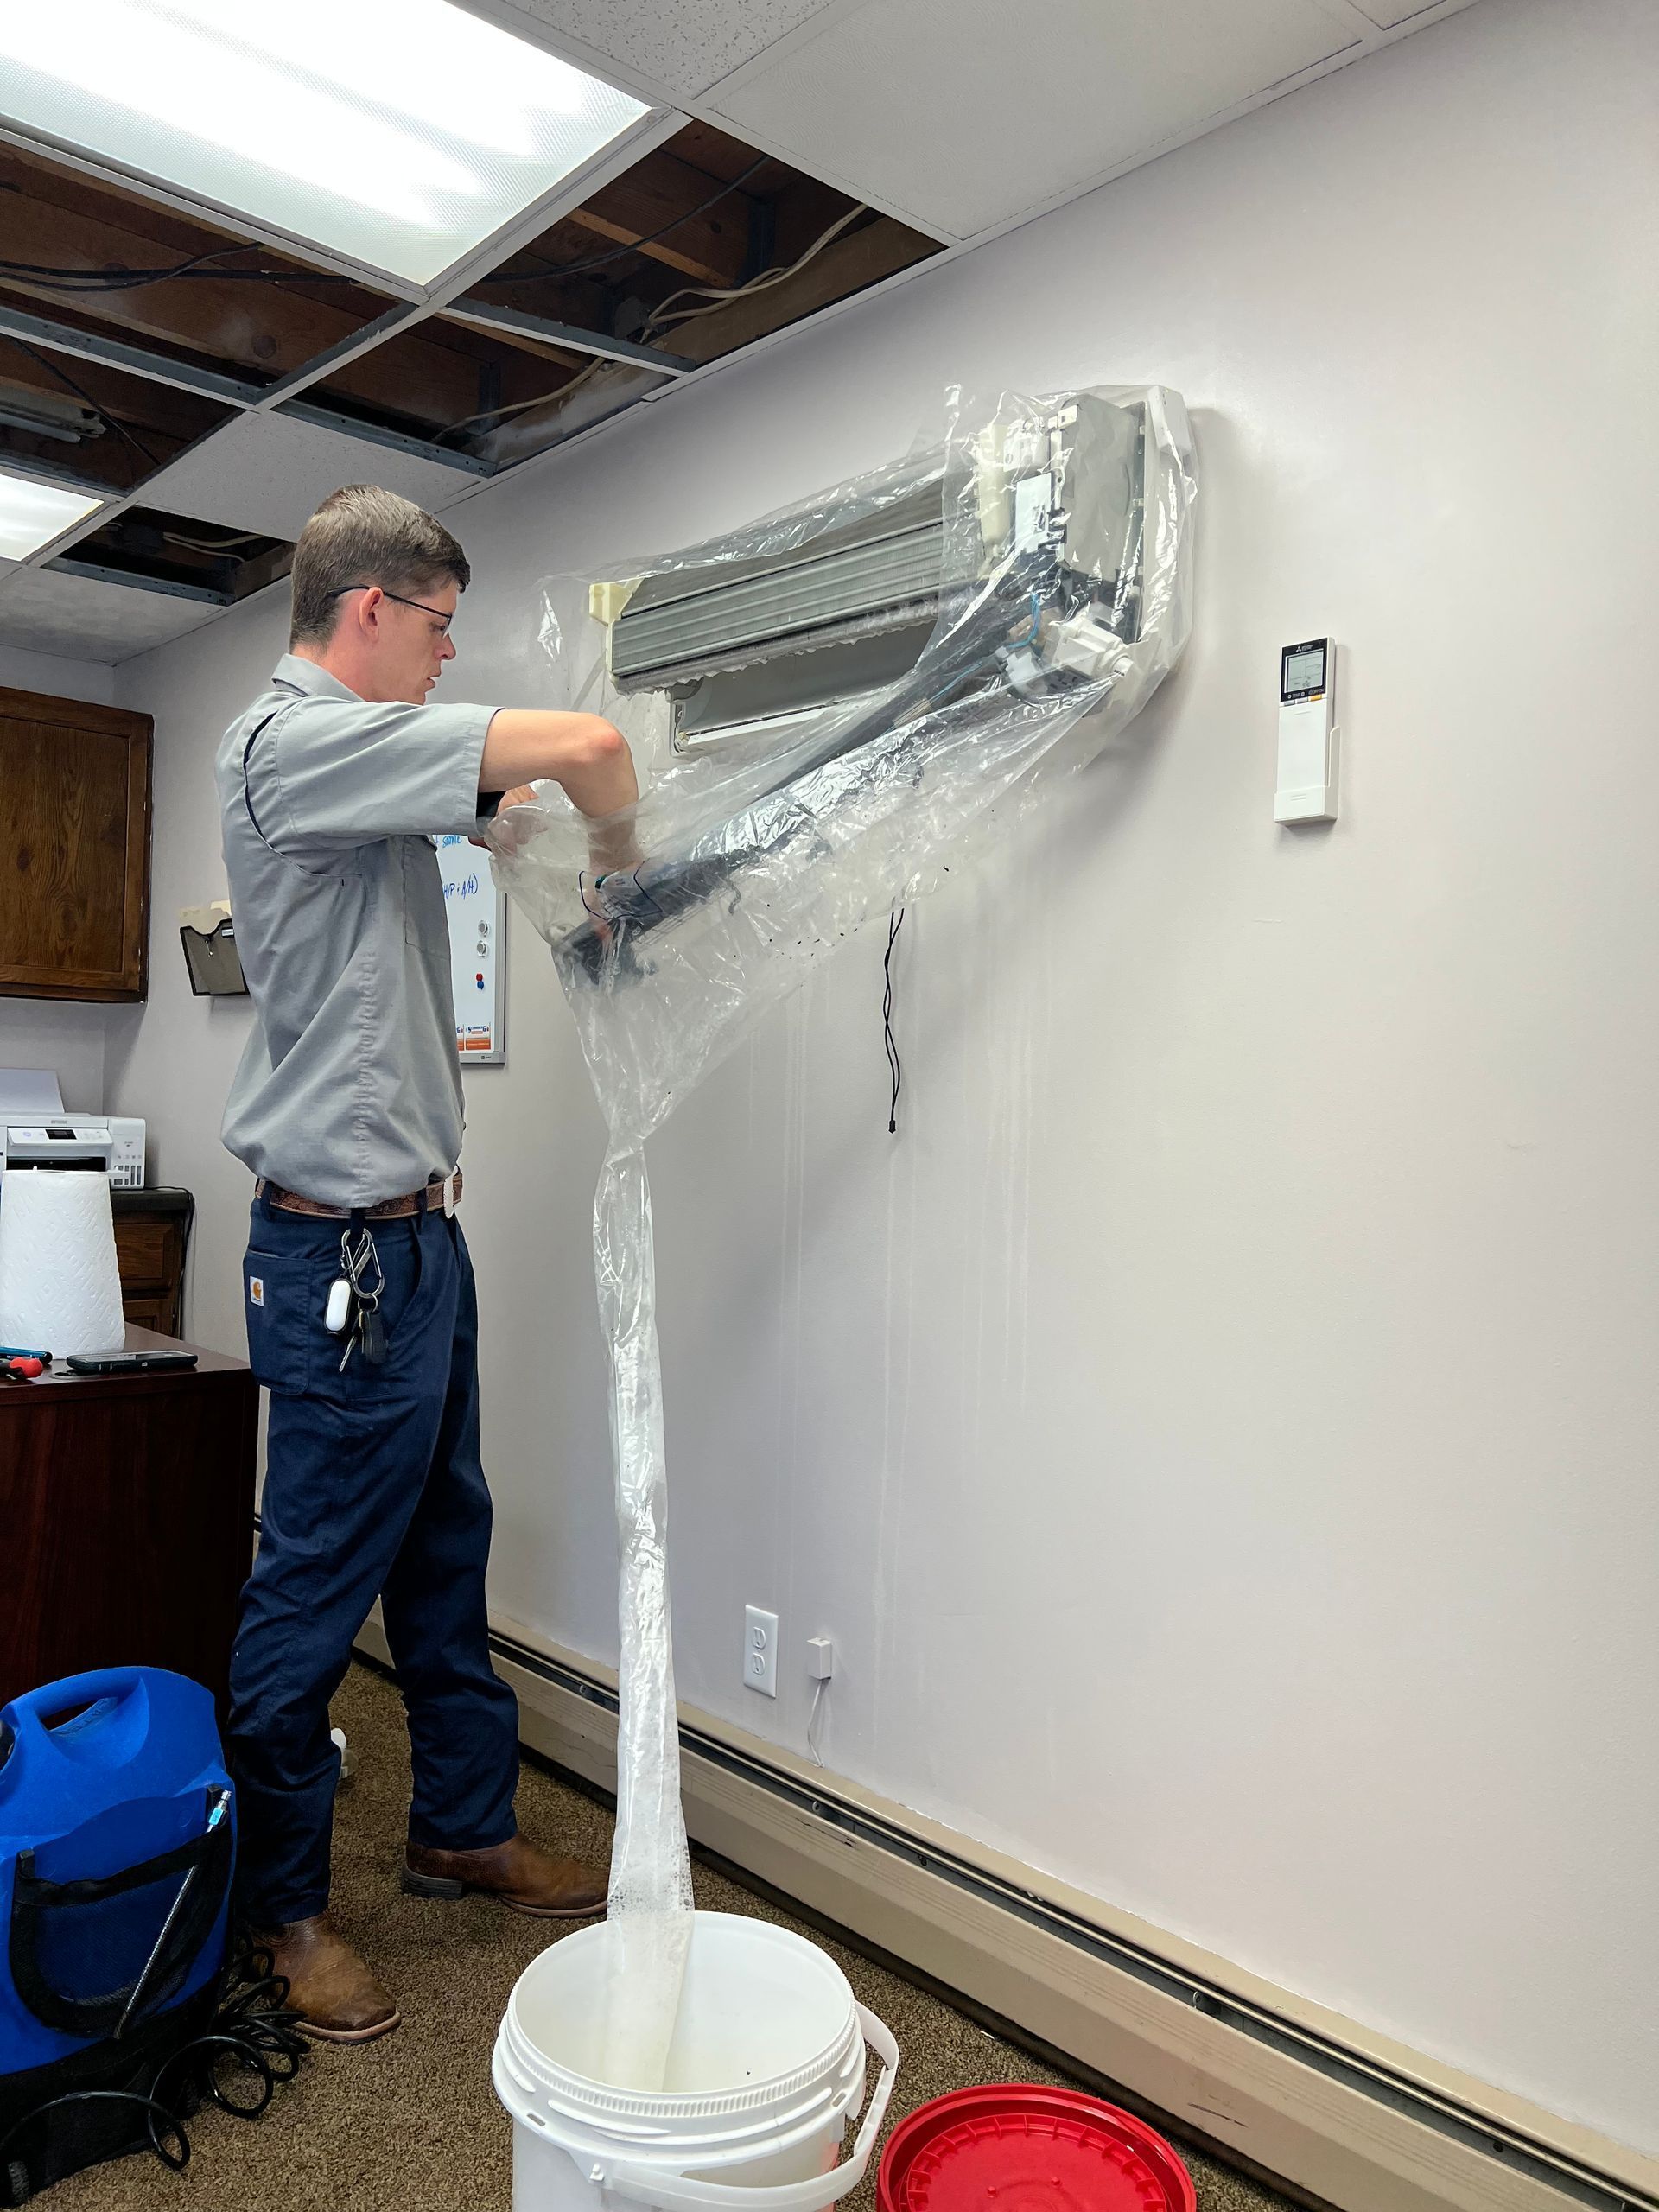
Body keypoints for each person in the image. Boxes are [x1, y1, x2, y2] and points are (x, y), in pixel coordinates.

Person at [215, 484, 637, 2044]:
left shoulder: (356, 770)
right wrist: (627, 859)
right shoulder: (293, 743)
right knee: (313, 1590)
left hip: (413, 1246)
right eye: (442, 624)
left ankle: (460, 1824)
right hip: (341, 1263)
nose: (450, 658)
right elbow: (587, 758)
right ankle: (281, 1912)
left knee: (444, 1554)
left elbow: (501, 810)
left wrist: (533, 846)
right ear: (372, 609)